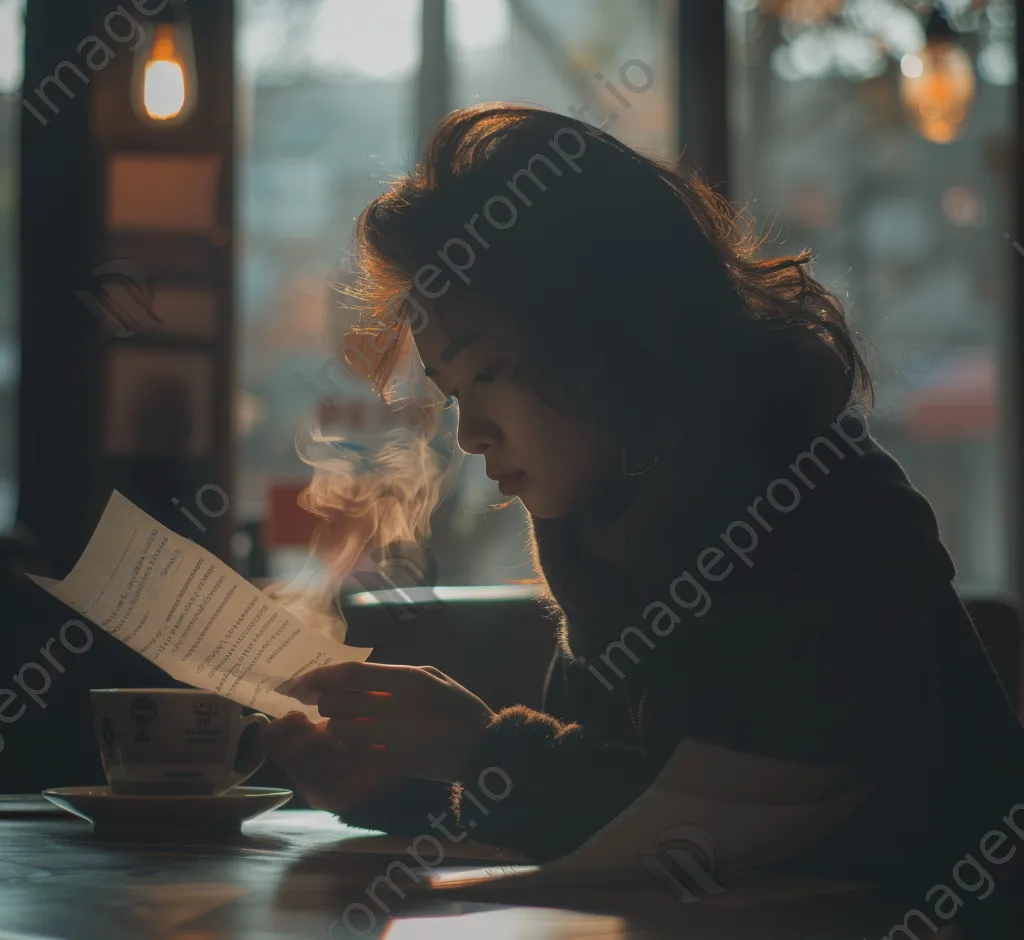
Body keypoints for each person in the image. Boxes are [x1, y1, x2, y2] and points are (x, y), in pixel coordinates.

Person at [260, 104, 1024, 897]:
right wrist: (394, 788)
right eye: (452, 394)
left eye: (487, 373)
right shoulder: (610, 521)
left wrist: (478, 752)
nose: (470, 434)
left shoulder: (812, 508)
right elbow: (607, 806)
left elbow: (725, 833)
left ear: (610, 340)